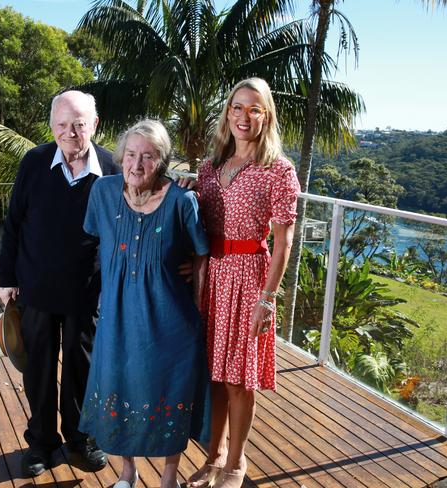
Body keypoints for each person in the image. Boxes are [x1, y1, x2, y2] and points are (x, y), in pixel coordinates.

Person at [78, 119, 211, 488]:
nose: (137, 165)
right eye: (131, 155)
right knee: (120, 388)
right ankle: (127, 471)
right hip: (118, 319)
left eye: (148, 157)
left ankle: (169, 476)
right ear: (120, 157)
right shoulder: (102, 193)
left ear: (162, 162)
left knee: (171, 392)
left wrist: (198, 307)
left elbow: (202, 254)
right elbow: (96, 245)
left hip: (171, 322)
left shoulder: (183, 201)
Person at [0, 90, 120, 477]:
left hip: (88, 290)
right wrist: (6, 278)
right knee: (39, 369)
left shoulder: (114, 168)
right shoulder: (34, 163)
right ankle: (41, 442)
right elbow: (14, 223)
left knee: (82, 369)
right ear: (52, 127)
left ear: (94, 125)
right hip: (36, 287)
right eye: (63, 125)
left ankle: (79, 440)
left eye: (79, 124)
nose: (71, 132)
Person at [188, 78, 300, 488]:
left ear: (266, 115)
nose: (244, 116)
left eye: (254, 108)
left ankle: (236, 463)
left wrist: (267, 300)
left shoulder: (278, 170)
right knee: (214, 375)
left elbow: (284, 241)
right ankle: (212, 456)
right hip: (212, 277)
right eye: (237, 107)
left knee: (238, 377)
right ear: (227, 113)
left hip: (250, 278)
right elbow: (194, 222)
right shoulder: (210, 167)